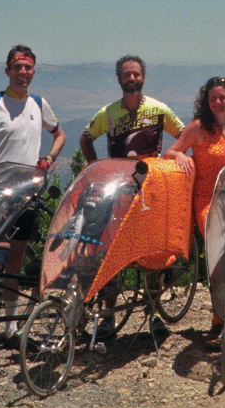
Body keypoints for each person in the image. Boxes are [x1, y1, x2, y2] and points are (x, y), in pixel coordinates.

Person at [0, 45, 66, 363]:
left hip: (29, 195)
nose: (22, 73)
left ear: (33, 72)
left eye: (27, 68)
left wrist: (49, 158)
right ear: (7, 70)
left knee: (15, 264)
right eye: (17, 67)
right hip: (0, 197)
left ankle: (10, 330)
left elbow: (60, 134)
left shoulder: (39, 104)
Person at [79, 54, 184, 336]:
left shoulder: (160, 110)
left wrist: (176, 162)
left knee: (152, 254)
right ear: (119, 79)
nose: (132, 78)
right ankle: (108, 317)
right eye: (127, 75)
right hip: (119, 192)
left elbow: (184, 136)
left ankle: (154, 315)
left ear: (143, 77)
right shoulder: (108, 113)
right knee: (112, 251)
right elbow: (86, 138)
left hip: (152, 192)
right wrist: (95, 169)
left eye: (136, 74)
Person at [163, 77, 225, 349]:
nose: (218, 103)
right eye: (213, 99)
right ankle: (218, 319)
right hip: (207, 200)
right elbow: (170, 152)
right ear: (206, 102)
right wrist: (182, 156)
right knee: (219, 259)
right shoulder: (198, 127)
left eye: (222, 97)